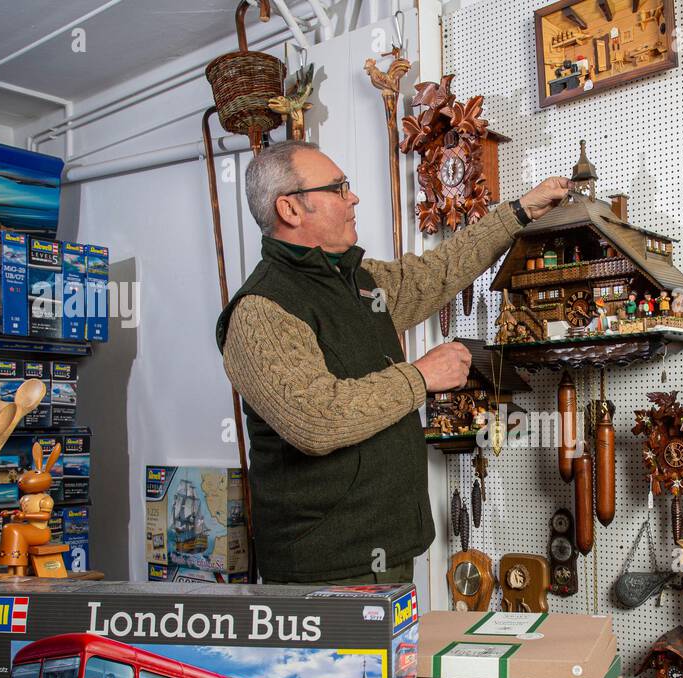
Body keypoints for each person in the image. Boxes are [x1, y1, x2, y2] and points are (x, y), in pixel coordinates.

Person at [218, 141, 569, 586]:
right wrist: (421, 376)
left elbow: (437, 272)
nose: (354, 197)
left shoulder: (359, 281)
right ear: (289, 208)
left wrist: (518, 212)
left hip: (390, 549)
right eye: (339, 188)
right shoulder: (261, 311)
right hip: (326, 569)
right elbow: (315, 419)